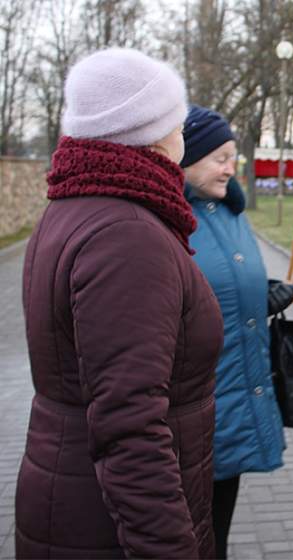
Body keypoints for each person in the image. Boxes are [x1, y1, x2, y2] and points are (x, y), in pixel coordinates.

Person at [17, 49, 222, 558]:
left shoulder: (75, 206)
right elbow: (129, 425)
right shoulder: (126, 234)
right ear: (154, 133)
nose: (182, 136)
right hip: (106, 525)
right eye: (178, 124)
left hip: (77, 498)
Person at [180, 105, 293, 558]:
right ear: (186, 158)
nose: (231, 168)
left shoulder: (231, 212)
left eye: (233, 157)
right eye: (220, 158)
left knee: (216, 535)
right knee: (187, 537)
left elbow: (221, 284)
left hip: (232, 400)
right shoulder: (166, 217)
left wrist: (264, 295)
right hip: (191, 411)